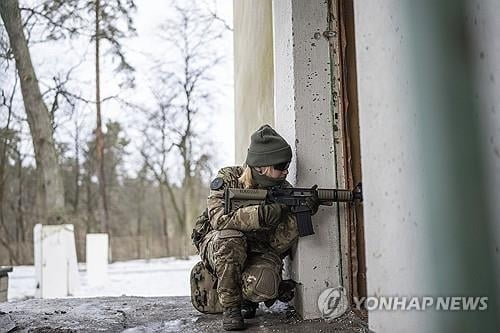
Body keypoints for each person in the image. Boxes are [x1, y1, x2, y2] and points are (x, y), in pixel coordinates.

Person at [191, 124, 320, 331]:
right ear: (261, 166)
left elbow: (276, 243)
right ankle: (231, 307)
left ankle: (246, 297)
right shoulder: (228, 180)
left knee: (266, 284)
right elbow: (219, 220)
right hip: (219, 247)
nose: (286, 170)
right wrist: (259, 215)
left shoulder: (284, 189)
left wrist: (300, 215)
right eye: (280, 166)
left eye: (287, 165)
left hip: (259, 250)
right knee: (230, 238)